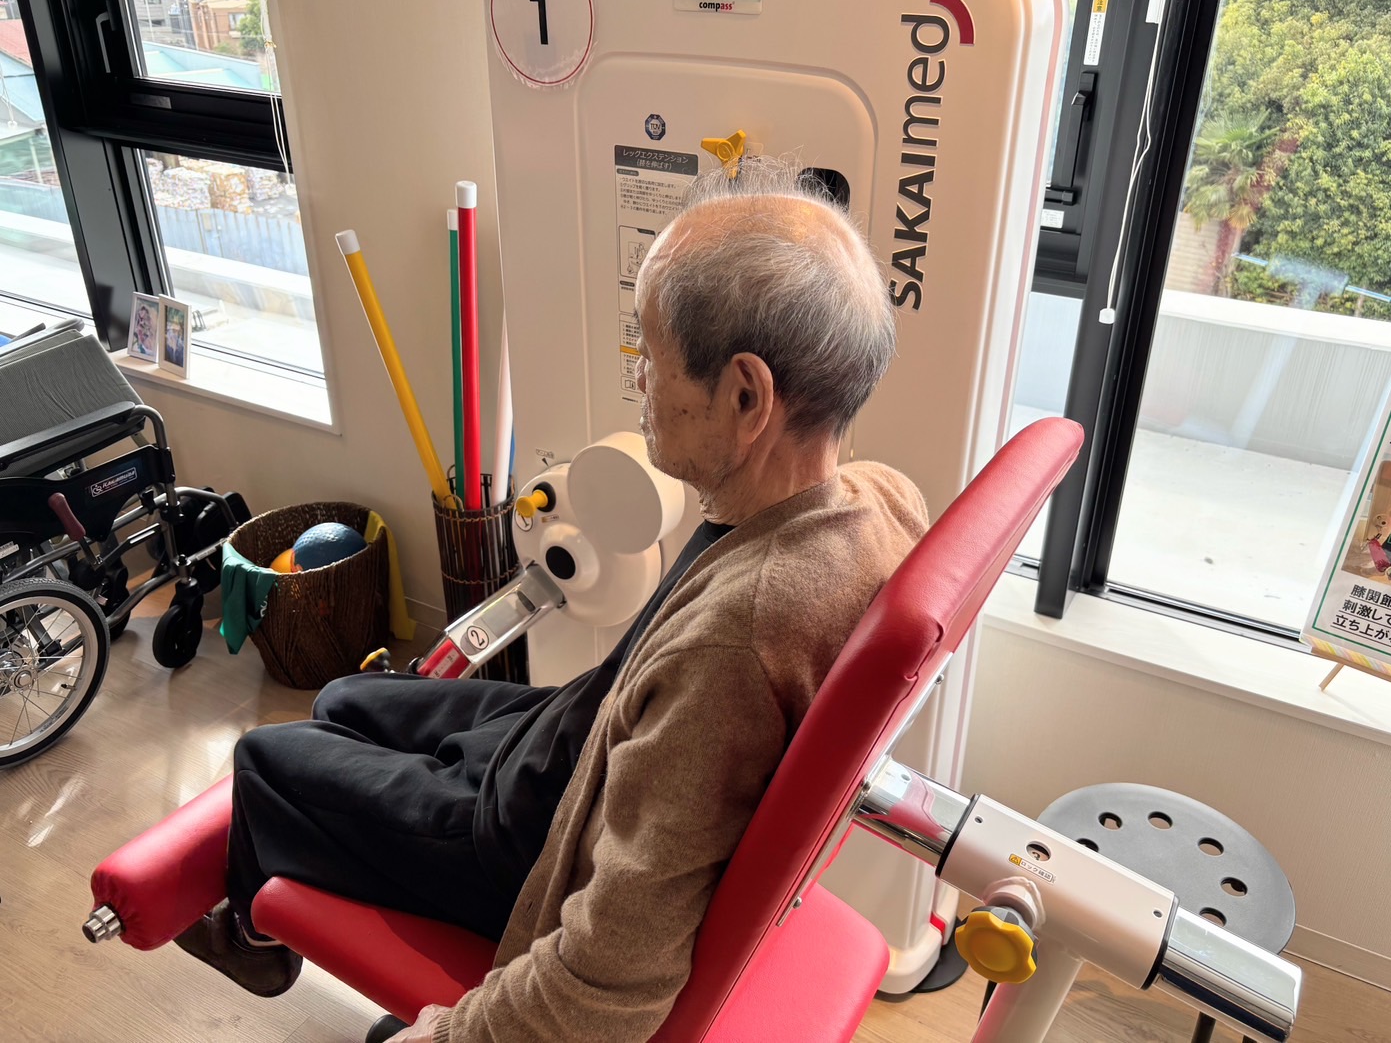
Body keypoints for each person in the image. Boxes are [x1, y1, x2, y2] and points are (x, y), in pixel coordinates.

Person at [172, 157, 929, 1043]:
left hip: (521, 839)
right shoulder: (879, 498)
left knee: (265, 760)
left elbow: (607, 983)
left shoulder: (730, 651)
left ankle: (253, 937)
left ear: (745, 395)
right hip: (568, 733)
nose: (640, 381)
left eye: (651, 357)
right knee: (343, 696)